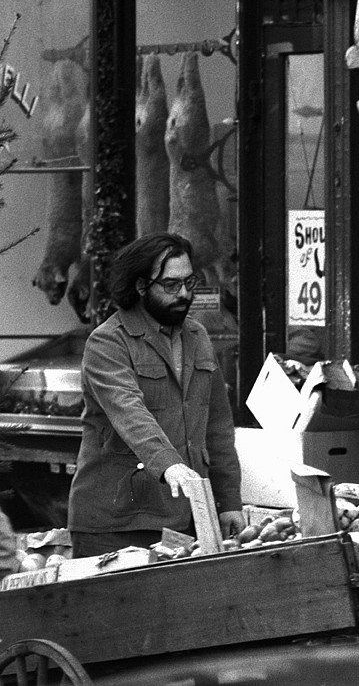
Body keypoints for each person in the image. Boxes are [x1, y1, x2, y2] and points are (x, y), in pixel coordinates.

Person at [67, 233, 244, 557]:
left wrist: (229, 501)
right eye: (170, 285)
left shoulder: (198, 336)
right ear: (140, 286)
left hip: (183, 520)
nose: (185, 294)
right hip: (114, 524)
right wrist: (168, 465)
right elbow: (128, 411)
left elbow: (218, 427)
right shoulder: (107, 343)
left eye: (190, 282)